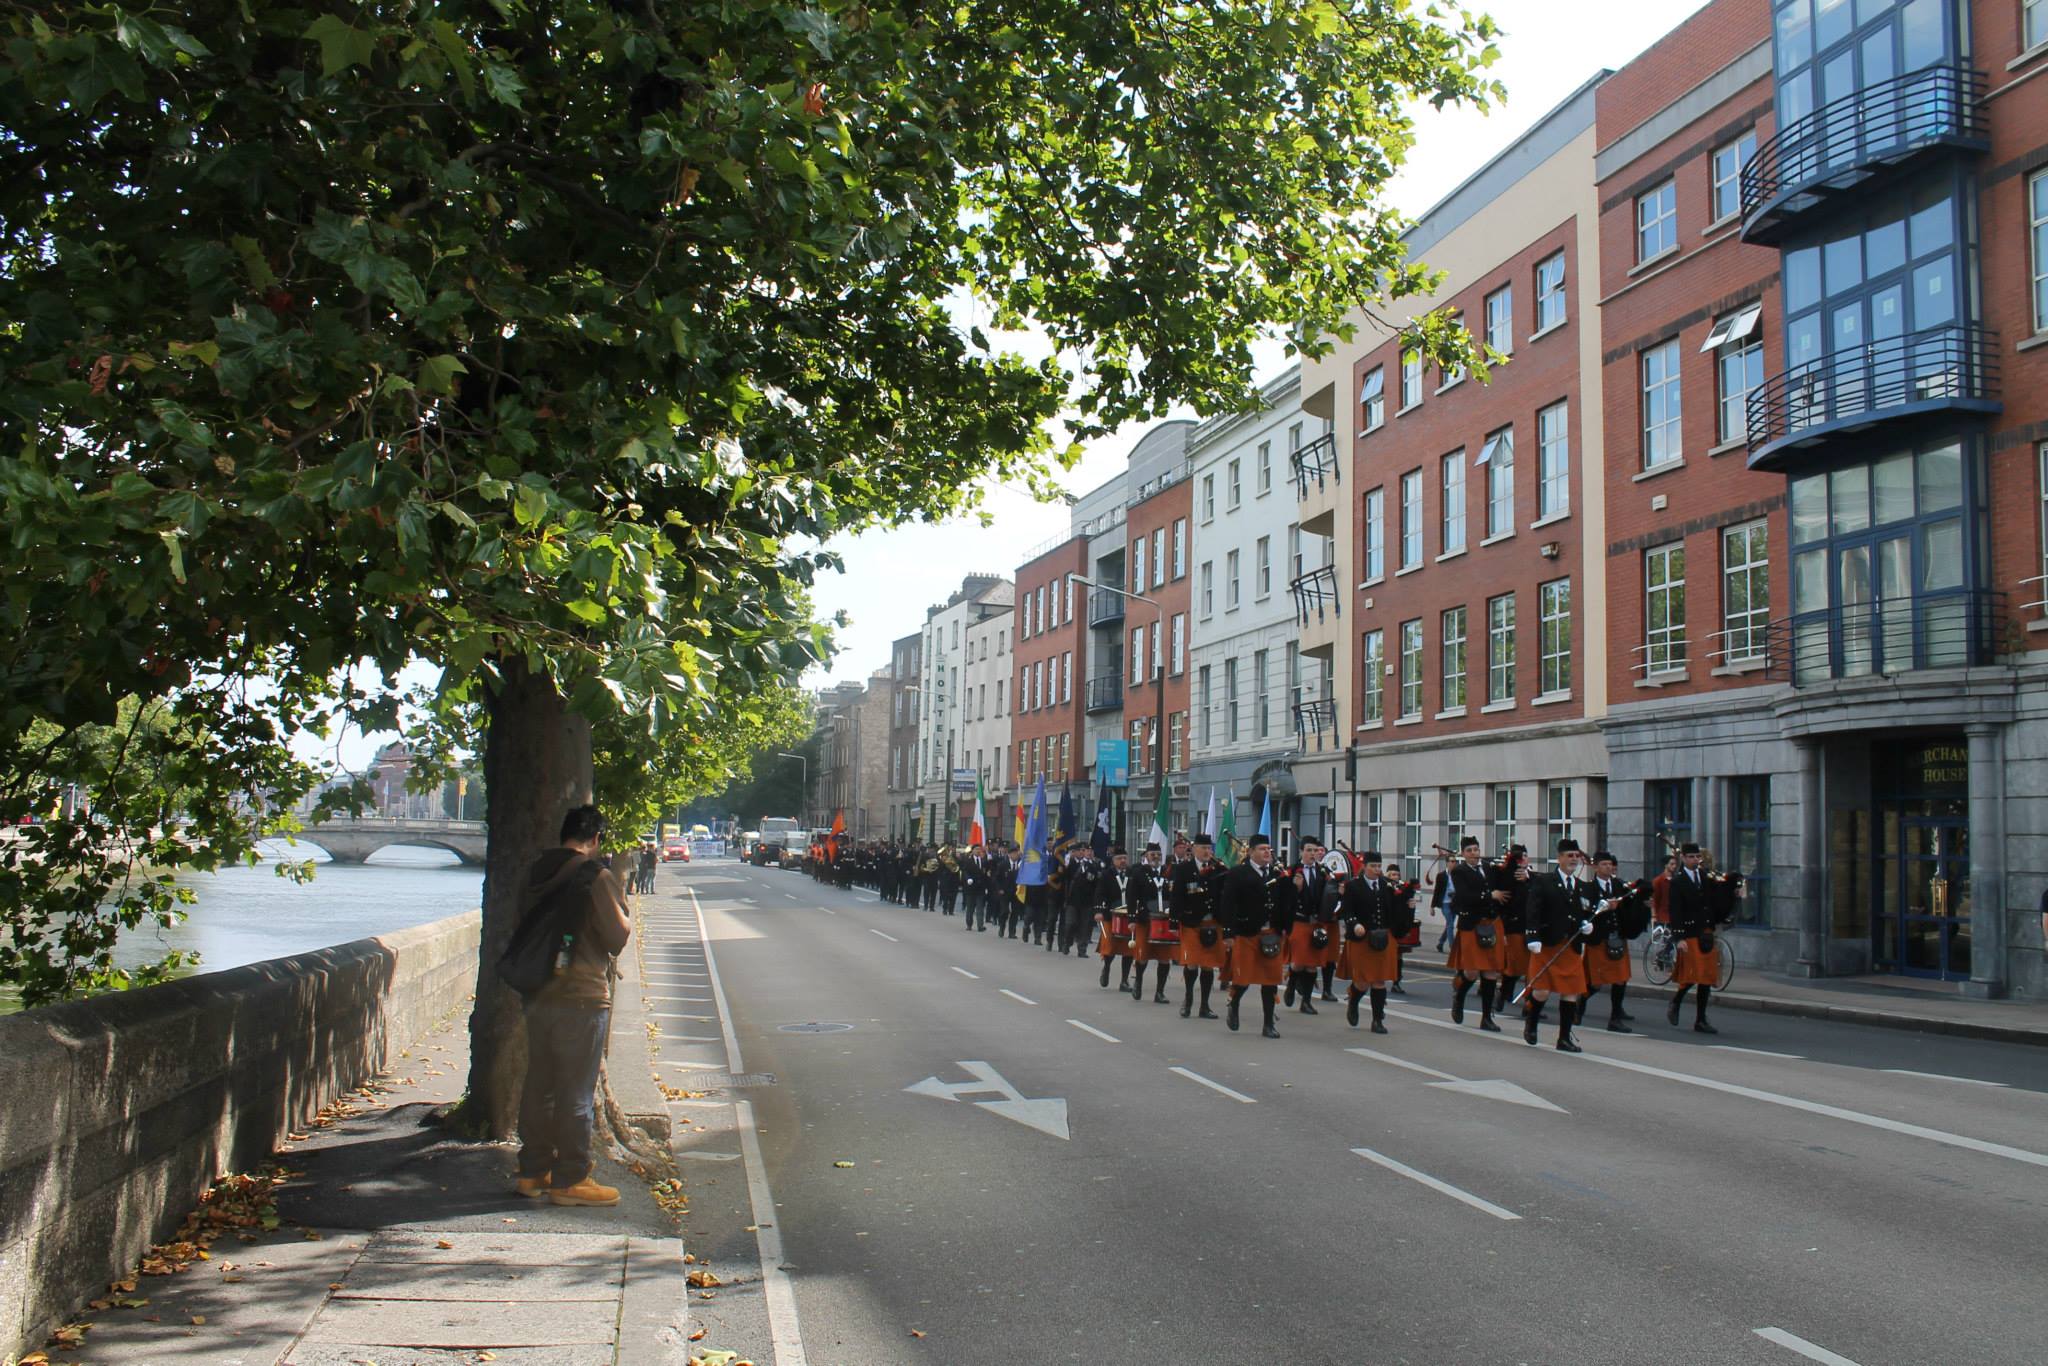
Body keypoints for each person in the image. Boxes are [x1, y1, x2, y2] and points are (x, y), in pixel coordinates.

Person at [513, 804, 633, 1207]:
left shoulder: (535, 871)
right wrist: (621, 900)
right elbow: (617, 936)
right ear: (595, 838)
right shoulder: (594, 876)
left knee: (540, 1084)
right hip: (581, 994)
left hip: (539, 991)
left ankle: (532, 1171)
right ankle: (572, 1177)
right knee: (576, 1091)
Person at [1522, 838, 1593, 1053]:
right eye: (1569, 856)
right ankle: (1531, 1023)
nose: (1574, 859)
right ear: (1559, 858)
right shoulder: (1544, 881)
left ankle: (1564, 1038)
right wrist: (1532, 937)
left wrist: (1586, 924)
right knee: (1541, 991)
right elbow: (1532, 910)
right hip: (1547, 944)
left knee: (1571, 992)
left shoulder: (1582, 886)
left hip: (1570, 946)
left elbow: (1583, 912)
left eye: (1576, 856)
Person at [1221, 833, 1294, 1038]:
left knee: (1270, 980)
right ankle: (1234, 1004)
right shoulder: (1238, 873)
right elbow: (1228, 904)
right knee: (1243, 979)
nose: (1267, 852)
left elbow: (1286, 903)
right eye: (1262, 849)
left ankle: (1268, 1024)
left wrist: (1286, 927)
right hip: (1247, 932)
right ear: (1251, 852)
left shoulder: (1278, 874)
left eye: (1268, 849)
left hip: (1271, 933)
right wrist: (1228, 932)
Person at [1337, 851, 1410, 1034]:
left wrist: (1407, 904)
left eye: (1379, 866)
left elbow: (1395, 911)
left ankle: (1377, 1020)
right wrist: (1355, 924)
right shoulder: (1353, 886)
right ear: (1364, 867)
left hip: (1383, 938)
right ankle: (1353, 1001)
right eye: (1373, 866)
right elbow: (1347, 911)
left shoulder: (1387, 886)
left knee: (1379, 981)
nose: (1377, 870)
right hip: (1362, 939)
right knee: (1362, 982)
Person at [1445, 836, 1505, 1031]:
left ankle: (1487, 1018)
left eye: (1476, 850)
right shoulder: (1459, 871)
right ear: (1463, 853)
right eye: (1469, 850)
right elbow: (1464, 896)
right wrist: (1489, 896)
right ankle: (1459, 997)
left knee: (1491, 972)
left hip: (1491, 923)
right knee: (1471, 972)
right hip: (1471, 925)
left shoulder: (1488, 867)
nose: (1474, 853)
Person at [1666, 842, 1721, 1033]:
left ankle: (1701, 1019)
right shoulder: (1677, 881)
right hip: (1688, 933)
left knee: (1706, 977)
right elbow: (1675, 911)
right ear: (1683, 858)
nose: (1695, 860)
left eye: (1697, 857)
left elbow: (1714, 902)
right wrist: (1679, 937)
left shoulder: (1705, 877)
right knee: (1693, 975)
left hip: (1705, 932)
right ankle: (1676, 1001)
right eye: (1691, 857)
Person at [1172, 833, 1227, 1019]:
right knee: (1192, 963)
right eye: (1203, 848)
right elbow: (1177, 896)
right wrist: (1174, 922)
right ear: (1194, 848)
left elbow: (1225, 894)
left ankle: (1205, 1005)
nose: (1207, 851)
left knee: (1208, 965)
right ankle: (1188, 1000)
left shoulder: (1218, 869)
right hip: (1191, 921)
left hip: (1213, 922)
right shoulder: (1184, 869)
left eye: (1209, 848)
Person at [1583, 850, 1636, 1032]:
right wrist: (1602, 908)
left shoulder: (1619, 885)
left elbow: (1628, 908)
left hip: (1616, 938)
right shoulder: (1588, 888)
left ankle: (1615, 1019)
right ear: (1595, 867)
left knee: (1620, 979)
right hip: (1598, 939)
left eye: (1610, 864)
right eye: (1604, 864)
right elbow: (1585, 912)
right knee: (1595, 983)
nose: (1608, 867)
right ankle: (1578, 1005)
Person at [1284, 837, 1338, 1014]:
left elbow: (1330, 893)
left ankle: (1306, 1002)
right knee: (1299, 963)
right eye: (1309, 850)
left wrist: (1337, 890)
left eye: (1315, 851)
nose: (1312, 854)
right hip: (1299, 921)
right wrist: (1296, 889)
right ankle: (1291, 985)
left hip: (1317, 923)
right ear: (1301, 851)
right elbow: (1285, 897)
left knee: (1312, 964)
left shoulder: (1323, 871)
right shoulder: (1292, 870)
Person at [1128, 842, 1174, 1003]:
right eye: (1152, 854)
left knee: (1164, 957)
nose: (1156, 857)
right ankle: (1138, 982)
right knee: (1142, 954)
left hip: (1164, 920)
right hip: (1145, 919)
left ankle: (1159, 992)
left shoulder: (1168, 872)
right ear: (1146, 856)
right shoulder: (1139, 873)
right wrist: (1131, 919)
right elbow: (1132, 897)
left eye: (1158, 854)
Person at [1096, 846, 1137, 991]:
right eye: (1119, 858)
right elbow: (1100, 893)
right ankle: (1106, 967)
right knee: (1110, 946)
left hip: (1129, 916)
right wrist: (1099, 911)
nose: (1123, 861)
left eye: (1125, 858)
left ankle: (1124, 981)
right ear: (1113, 860)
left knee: (1129, 949)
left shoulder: (1132, 874)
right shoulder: (1107, 874)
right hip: (1110, 915)